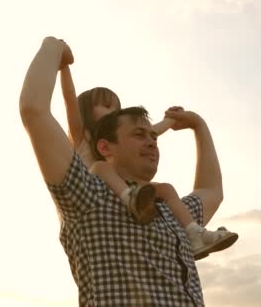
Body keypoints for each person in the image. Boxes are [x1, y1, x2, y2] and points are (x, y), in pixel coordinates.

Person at [20, 37, 227, 305]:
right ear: (106, 146)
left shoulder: (170, 210)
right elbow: (34, 110)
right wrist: (54, 47)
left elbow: (212, 191)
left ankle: (197, 236)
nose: (152, 141)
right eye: (139, 135)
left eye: (152, 136)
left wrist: (198, 125)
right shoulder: (89, 198)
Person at [59, 66, 237, 260]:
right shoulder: (82, 137)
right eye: (105, 105)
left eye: (115, 107)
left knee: (166, 189)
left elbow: (152, 131)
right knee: (101, 167)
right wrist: (64, 67)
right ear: (85, 110)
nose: (113, 111)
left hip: (132, 190)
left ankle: (195, 233)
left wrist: (172, 119)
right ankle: (130, 197)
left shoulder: (122, 137)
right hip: (95, 194)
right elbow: (69, 98)